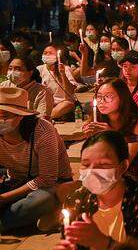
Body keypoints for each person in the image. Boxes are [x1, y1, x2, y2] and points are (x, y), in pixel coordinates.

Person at [55, 131, 138, 250]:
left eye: (103, 165)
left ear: (123, 166)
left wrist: (104, 243)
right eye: (86, 165)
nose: (92, 172)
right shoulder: (76, 200)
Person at [0, 87, 72, 231]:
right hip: (16, 181)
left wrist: (5, 197)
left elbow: (47, 179)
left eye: (5, 115)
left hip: (51, 184)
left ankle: (6, 222)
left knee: (41, 200)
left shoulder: (43, 132)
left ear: (20, 116)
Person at [85, 78, 138, 187]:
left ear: (122, 98)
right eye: (99, 96)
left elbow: (127, 159)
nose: (102, 101)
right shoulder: (98, 119)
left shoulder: (137, 121)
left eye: (108, 96)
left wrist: (111, 135)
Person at [37, 44, 78, 120]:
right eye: (45, 53)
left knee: (68, 104)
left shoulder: (66, 69)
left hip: (61, 103)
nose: (47, 55)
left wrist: (62, 74)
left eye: (51, 53)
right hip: (45, 103)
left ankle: (44, 119)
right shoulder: (40, 69)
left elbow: (69, 93)